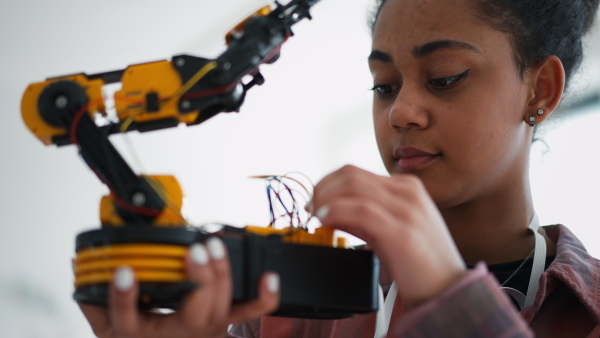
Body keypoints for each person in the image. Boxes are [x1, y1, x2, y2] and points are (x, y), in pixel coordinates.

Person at [80, 0, 600, 336]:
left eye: (444, 77)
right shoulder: (282, 309)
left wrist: (448, 296)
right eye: (384, 85)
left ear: (541, 90)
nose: (399, 112)